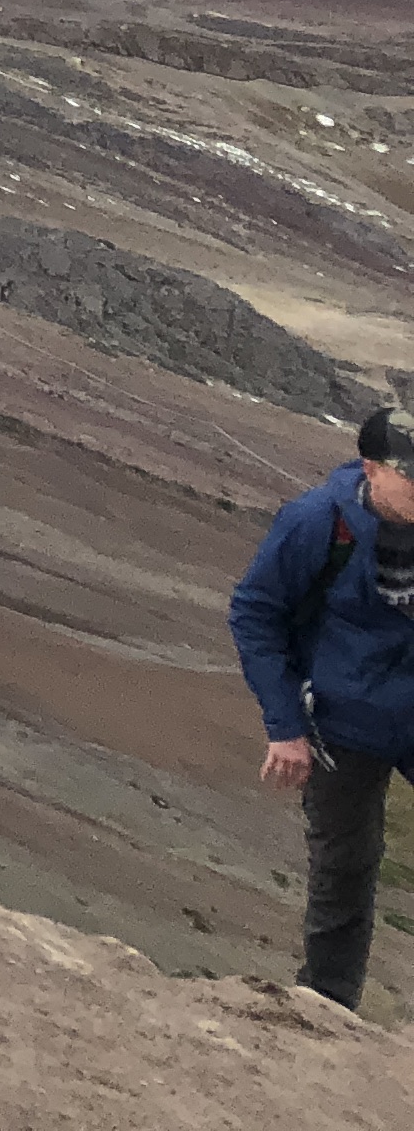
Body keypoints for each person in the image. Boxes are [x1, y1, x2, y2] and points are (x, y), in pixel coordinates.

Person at [233, 406, 414, 1004]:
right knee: (347, 867)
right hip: (341, 721)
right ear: (371, 468)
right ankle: (326, 1012)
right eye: (411, 473)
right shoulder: (318, 522)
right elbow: (256, 614)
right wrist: (285, 727)